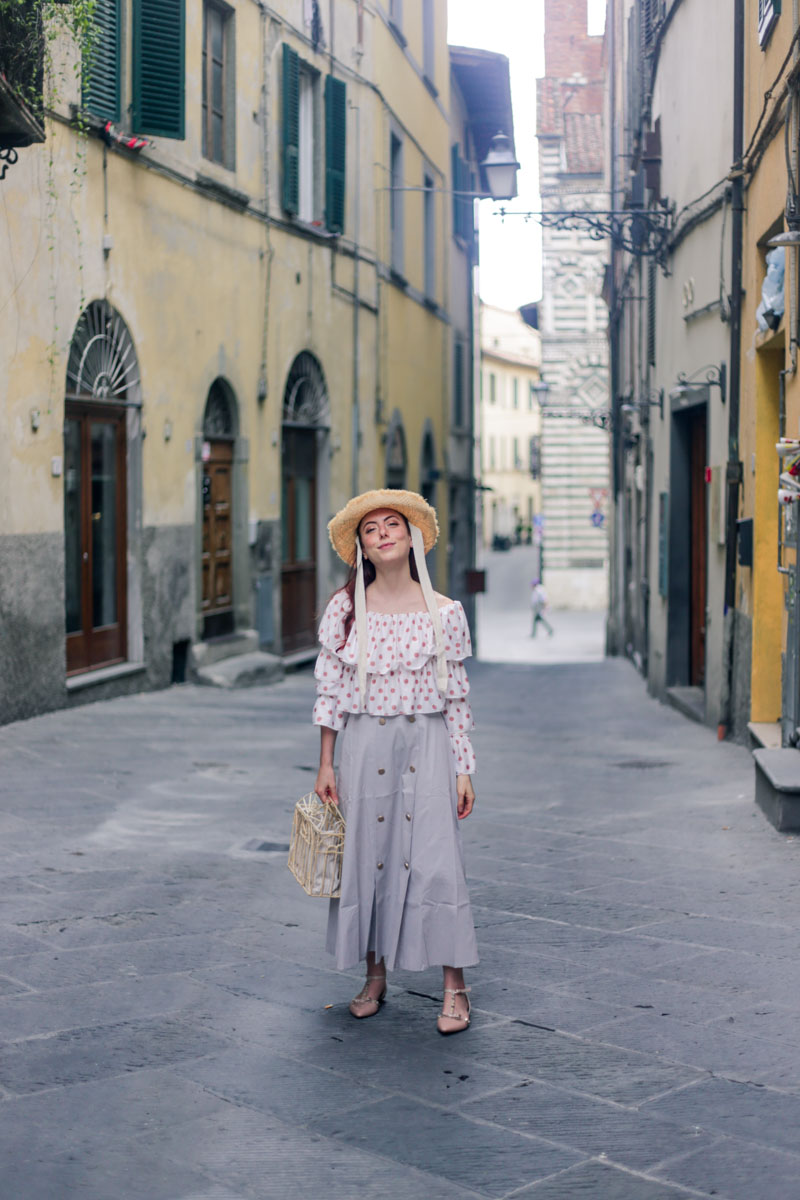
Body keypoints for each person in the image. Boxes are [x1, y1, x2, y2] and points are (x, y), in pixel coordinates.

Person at [313, 489, 478, 1035]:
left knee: (435, 858)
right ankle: (374, 974)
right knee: (370, 855)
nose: (382, 534)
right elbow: (331, 692)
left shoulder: (445, 613)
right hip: (364, 746)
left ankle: (455, 987)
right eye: (370, 529)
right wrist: (326, 764)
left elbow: (456, 696)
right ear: (360, 545)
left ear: (412, 537)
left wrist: (463, 768)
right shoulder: (345, 611)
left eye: (392, 524)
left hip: (426, 745)